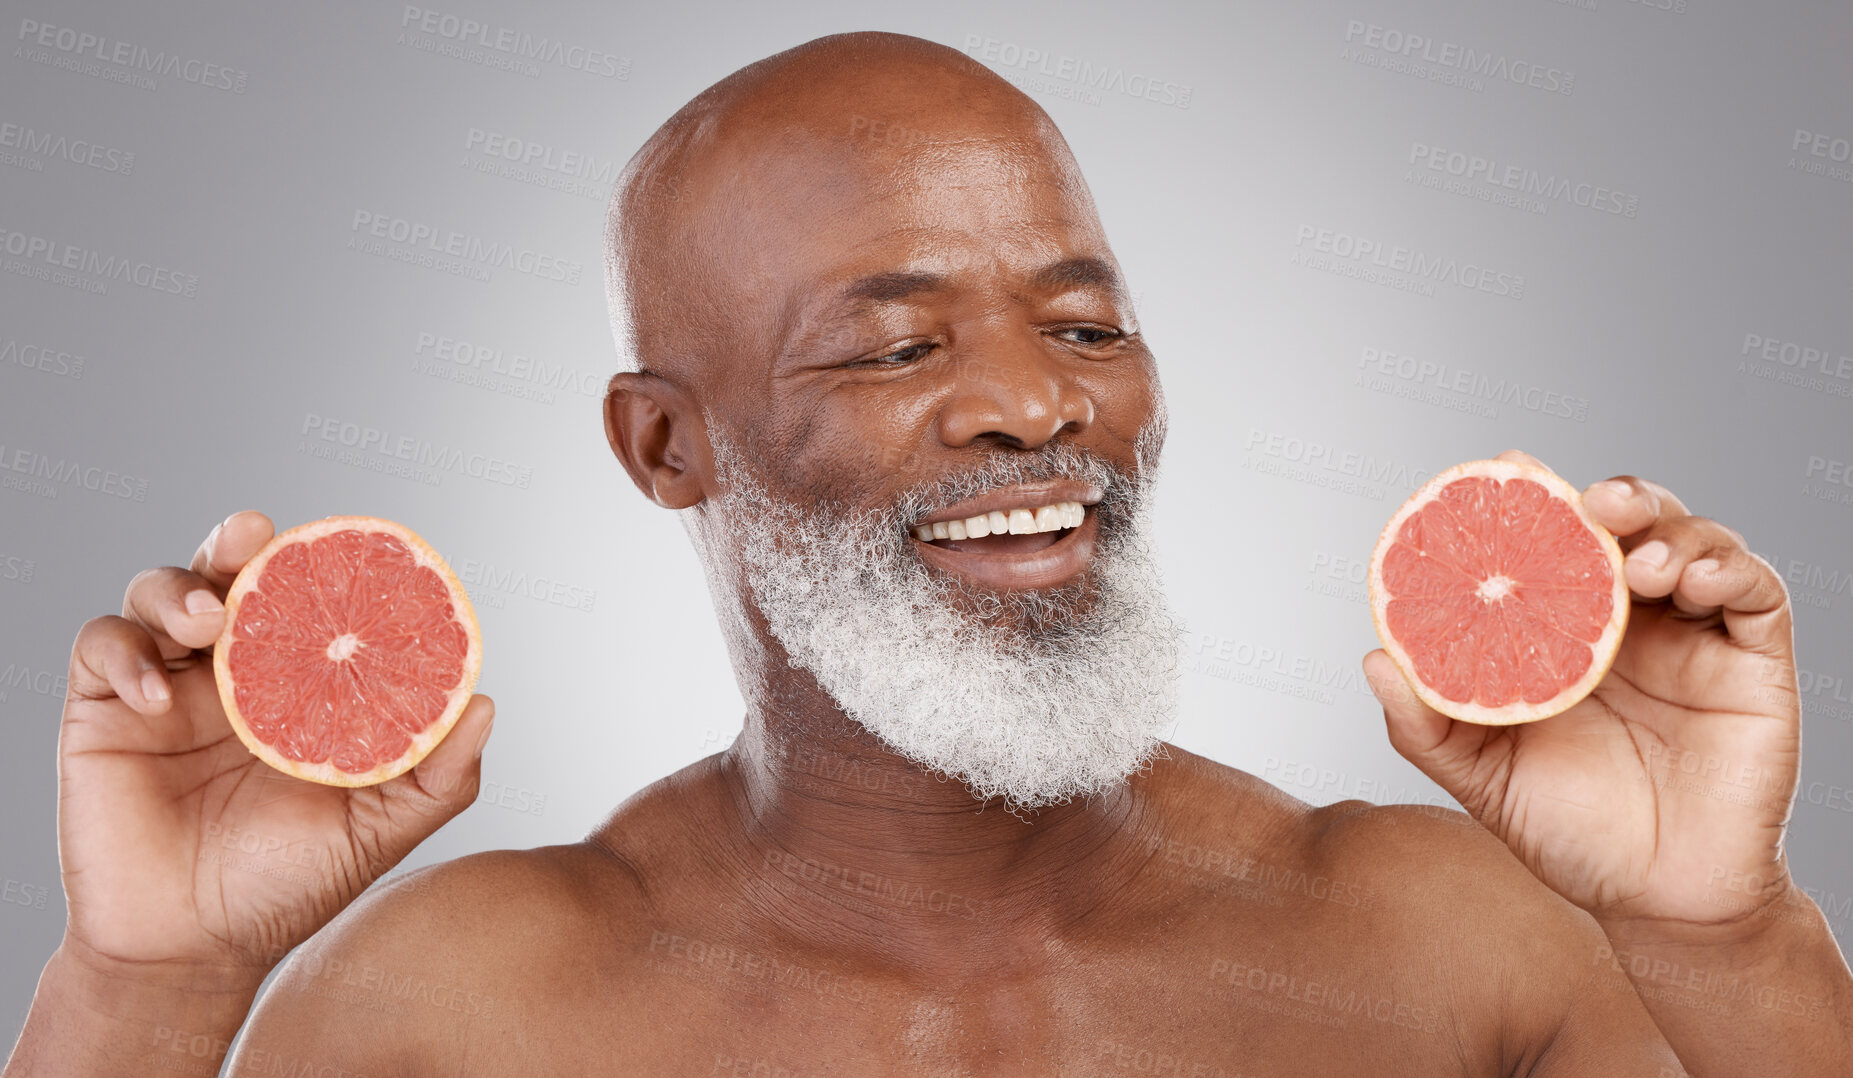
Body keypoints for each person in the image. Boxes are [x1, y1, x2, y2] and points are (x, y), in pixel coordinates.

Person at [7, 31, 1849, 1078]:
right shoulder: (468, 1010)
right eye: (897, 347)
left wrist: (1728, 933)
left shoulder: (1455, 948)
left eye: (1082, 323)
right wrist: (147, 986)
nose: (1031, 409)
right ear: (670, 445)